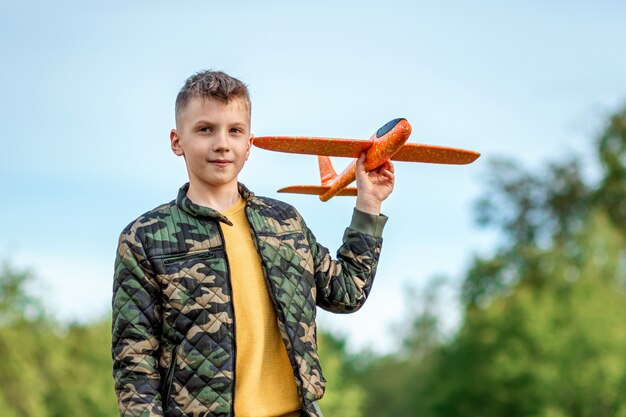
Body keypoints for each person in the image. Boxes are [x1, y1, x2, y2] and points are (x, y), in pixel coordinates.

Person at [111, 70, 395, 417]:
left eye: (235, 130)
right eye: (205, 129)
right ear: (176, 141)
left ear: (249, 143)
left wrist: (369, 204)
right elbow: (134, 365)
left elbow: (347, 293)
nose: (222, 144)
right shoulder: (145, 238)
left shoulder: (284, 223)